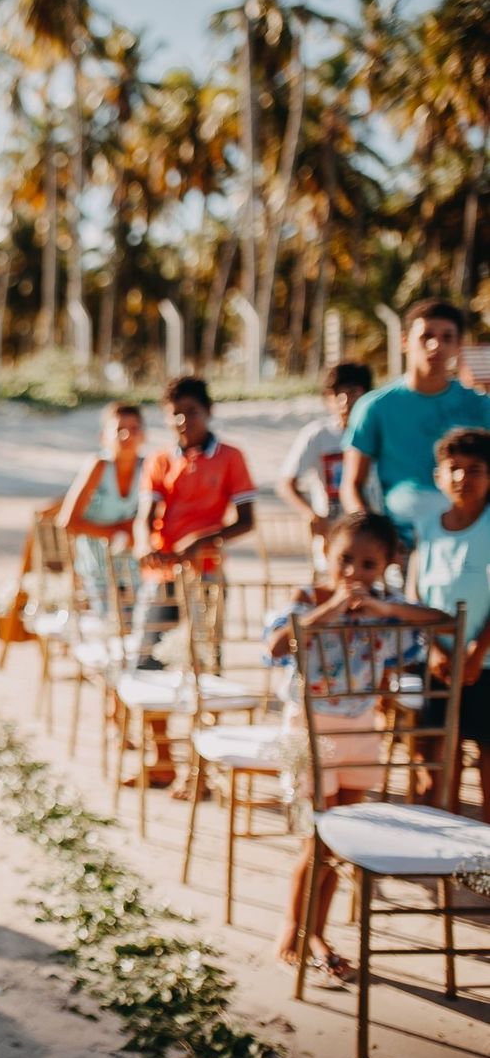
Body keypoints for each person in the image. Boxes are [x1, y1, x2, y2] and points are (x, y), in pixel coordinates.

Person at [263, 512, 445, 986]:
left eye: (368, 564)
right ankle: (294, 928)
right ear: (326, 553)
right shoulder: (307, 599)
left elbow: (441, 621)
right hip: (309, 732)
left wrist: (386, 611)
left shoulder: (386, 608)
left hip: (360, 731)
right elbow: (279, 645)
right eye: (345, 559)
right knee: (315, 839)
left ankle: (316, 934)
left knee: (339, 841)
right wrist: (331, 609)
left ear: (385, 566)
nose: (354, 573)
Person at [130, 376, 257, 788]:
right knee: (147, 663)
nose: (184, 420)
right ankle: (162, 759)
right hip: (162, 574)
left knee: (205, 668)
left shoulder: (231, 457)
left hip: (206, 576)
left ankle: (201, 773)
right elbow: (146, 516)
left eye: (192, 412)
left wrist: (203, 539)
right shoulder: (160, 460)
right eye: (176, 414)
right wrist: (142, 543)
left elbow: (246, 520)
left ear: (208, 412)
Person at [342, 299, 490, 540]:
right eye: (426, 336)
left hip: (472, 539)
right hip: (401, 541)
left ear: (458, 346)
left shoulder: (481, 405)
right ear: (404, 340)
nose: (436, 345)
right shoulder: (374, 407)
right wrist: (375, 538)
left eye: (447, 337)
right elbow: (352, 485)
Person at [414, 427, 490, 819]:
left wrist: (477, 652)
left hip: (485, 665)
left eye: (475, 468)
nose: (463, 477)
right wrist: (433, 650)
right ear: (438, 476)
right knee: (442, 762)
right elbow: (418, 596)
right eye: (454, 468)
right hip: (440, 664)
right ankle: (449, 859)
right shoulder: (428, 527)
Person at [59, 402, 144, 611]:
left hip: (138, 571)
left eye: (134, 429)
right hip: (97, 571)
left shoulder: (149, 467)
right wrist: (117, 533)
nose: (127, 436)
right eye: (119, 430)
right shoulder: (98, 466)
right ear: (104, 436)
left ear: (143, 435)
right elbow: (68, 522)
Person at [279, 362, 377, 542]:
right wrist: (311, 514)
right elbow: (287, 484)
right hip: (332, 533)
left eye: (352, 393)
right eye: (338, 395)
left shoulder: (378, 433)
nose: (345, 402)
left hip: (373, 532)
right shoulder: (318, 435)